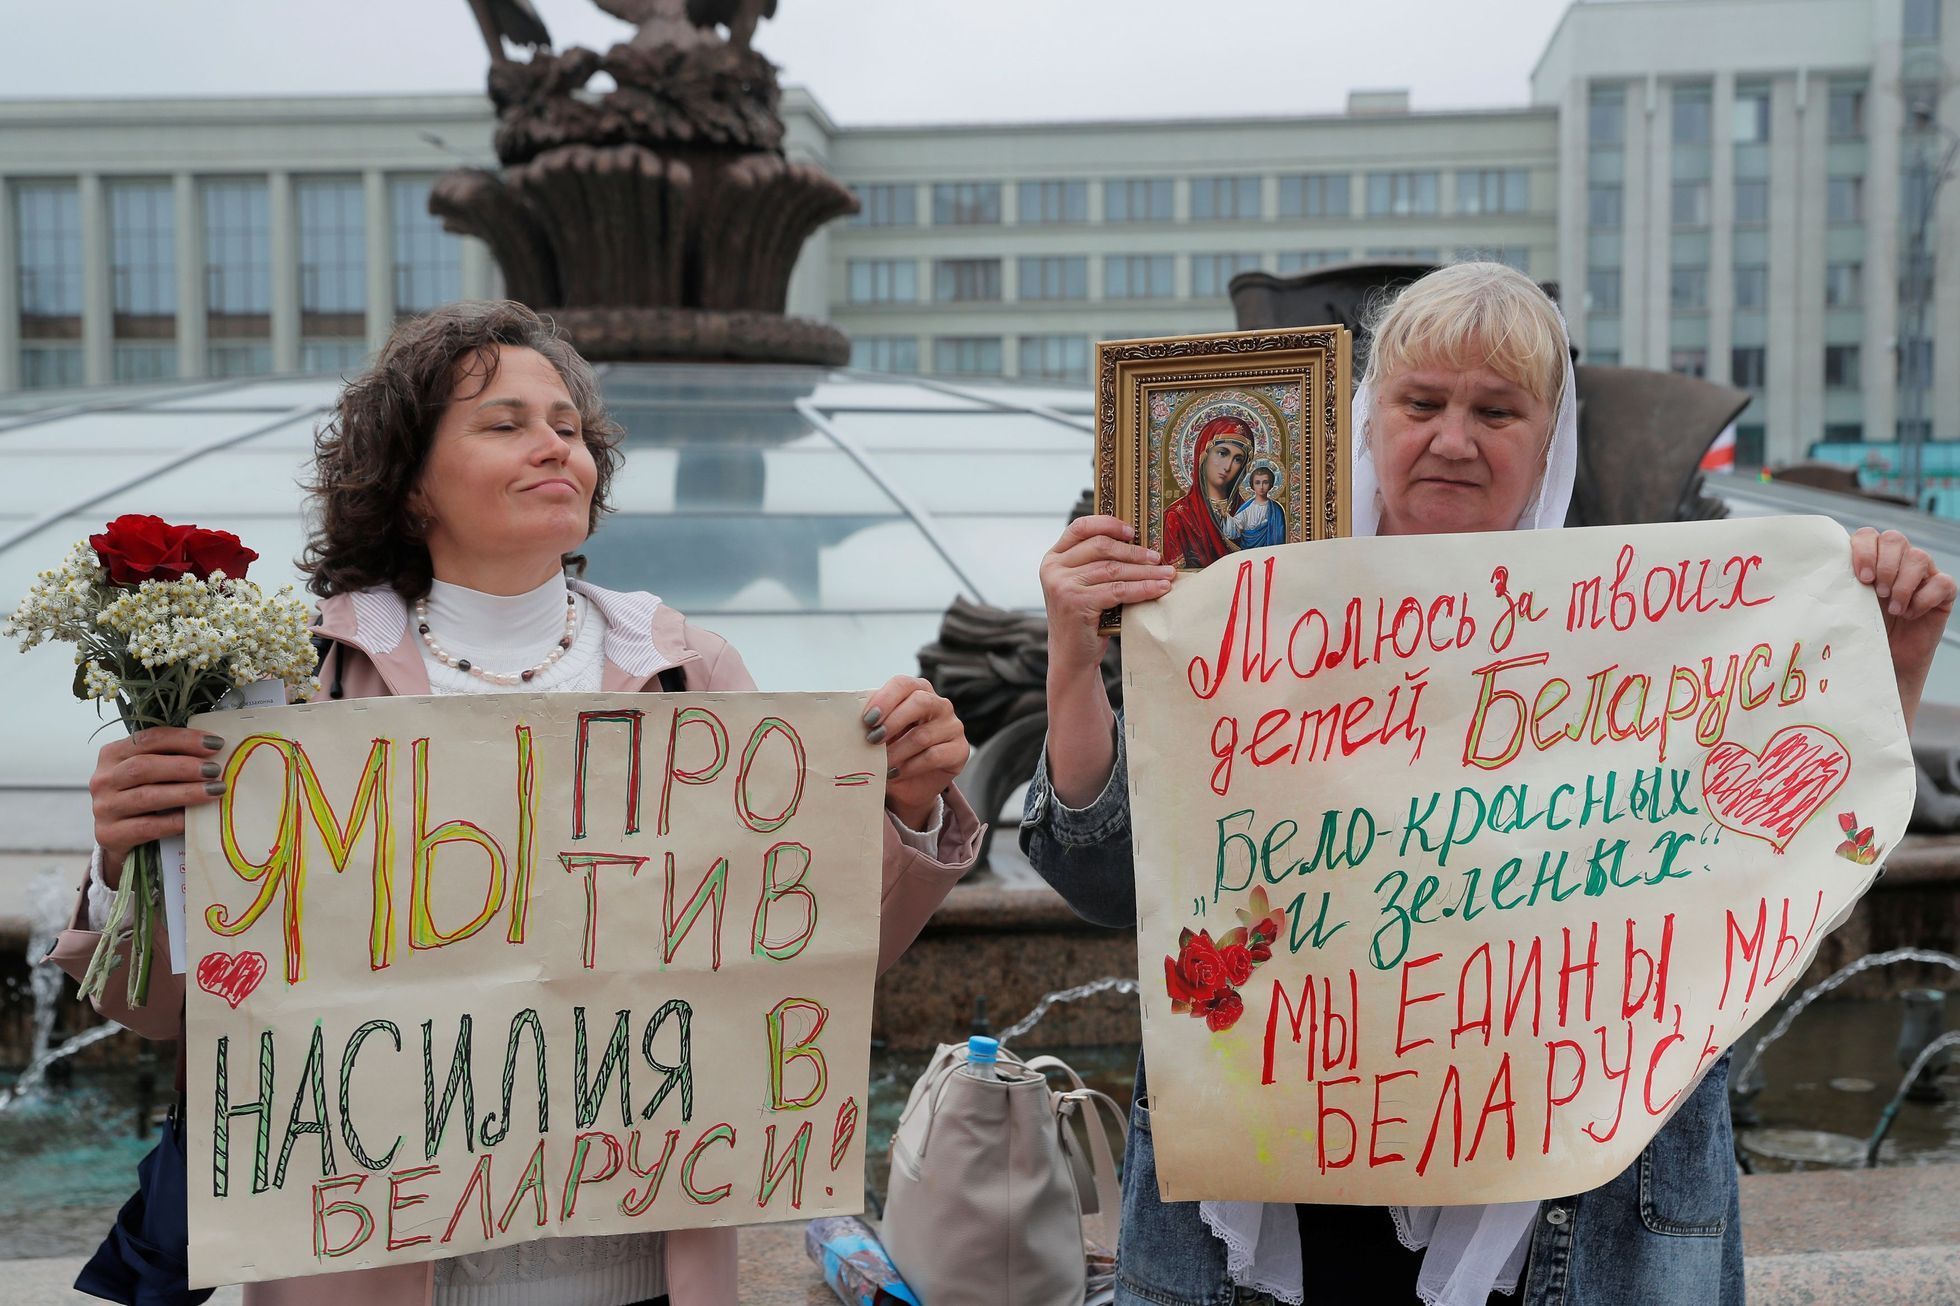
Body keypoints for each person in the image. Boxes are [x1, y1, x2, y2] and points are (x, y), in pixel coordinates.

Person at [1023, 261, 1956, 1306]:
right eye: (1421, 402)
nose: (1453, 438)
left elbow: (1772, 882)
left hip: (1568, 1221)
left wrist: (1893, 660)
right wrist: (1071, 652)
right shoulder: (1233, 620)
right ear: (1369, 417)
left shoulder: (1651, 632)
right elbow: (1104, 881)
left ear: (1548, 439)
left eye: (1496, 409)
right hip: (1286, 1216)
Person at [50, 300, 982, 1306]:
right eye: (505, 424)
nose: (554, 448)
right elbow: (160, 1012)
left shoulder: (686, 670)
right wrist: (124, 865)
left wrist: (906, 811)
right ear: (410, 484)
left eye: (570, 429)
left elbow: (805, 958)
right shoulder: (289, 683)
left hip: (642, 1273)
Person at [1160, 415, 1252, 568]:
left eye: (1238, 459)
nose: (1228, 466)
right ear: (1203, 454)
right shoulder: (1178, 517)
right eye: (1222, 453)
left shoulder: (1249, 513)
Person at [1222, 462, 1286, 550]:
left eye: (1265, 482)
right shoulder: (1247, 508)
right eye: (1257, 483)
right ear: (1252, 485)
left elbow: (1279, 537)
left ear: (1270, 484)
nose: (1261, 487)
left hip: (1270, 554)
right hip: (1249, 553)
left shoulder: (1276, 510)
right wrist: (1225, 516)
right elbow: (1236, 528)